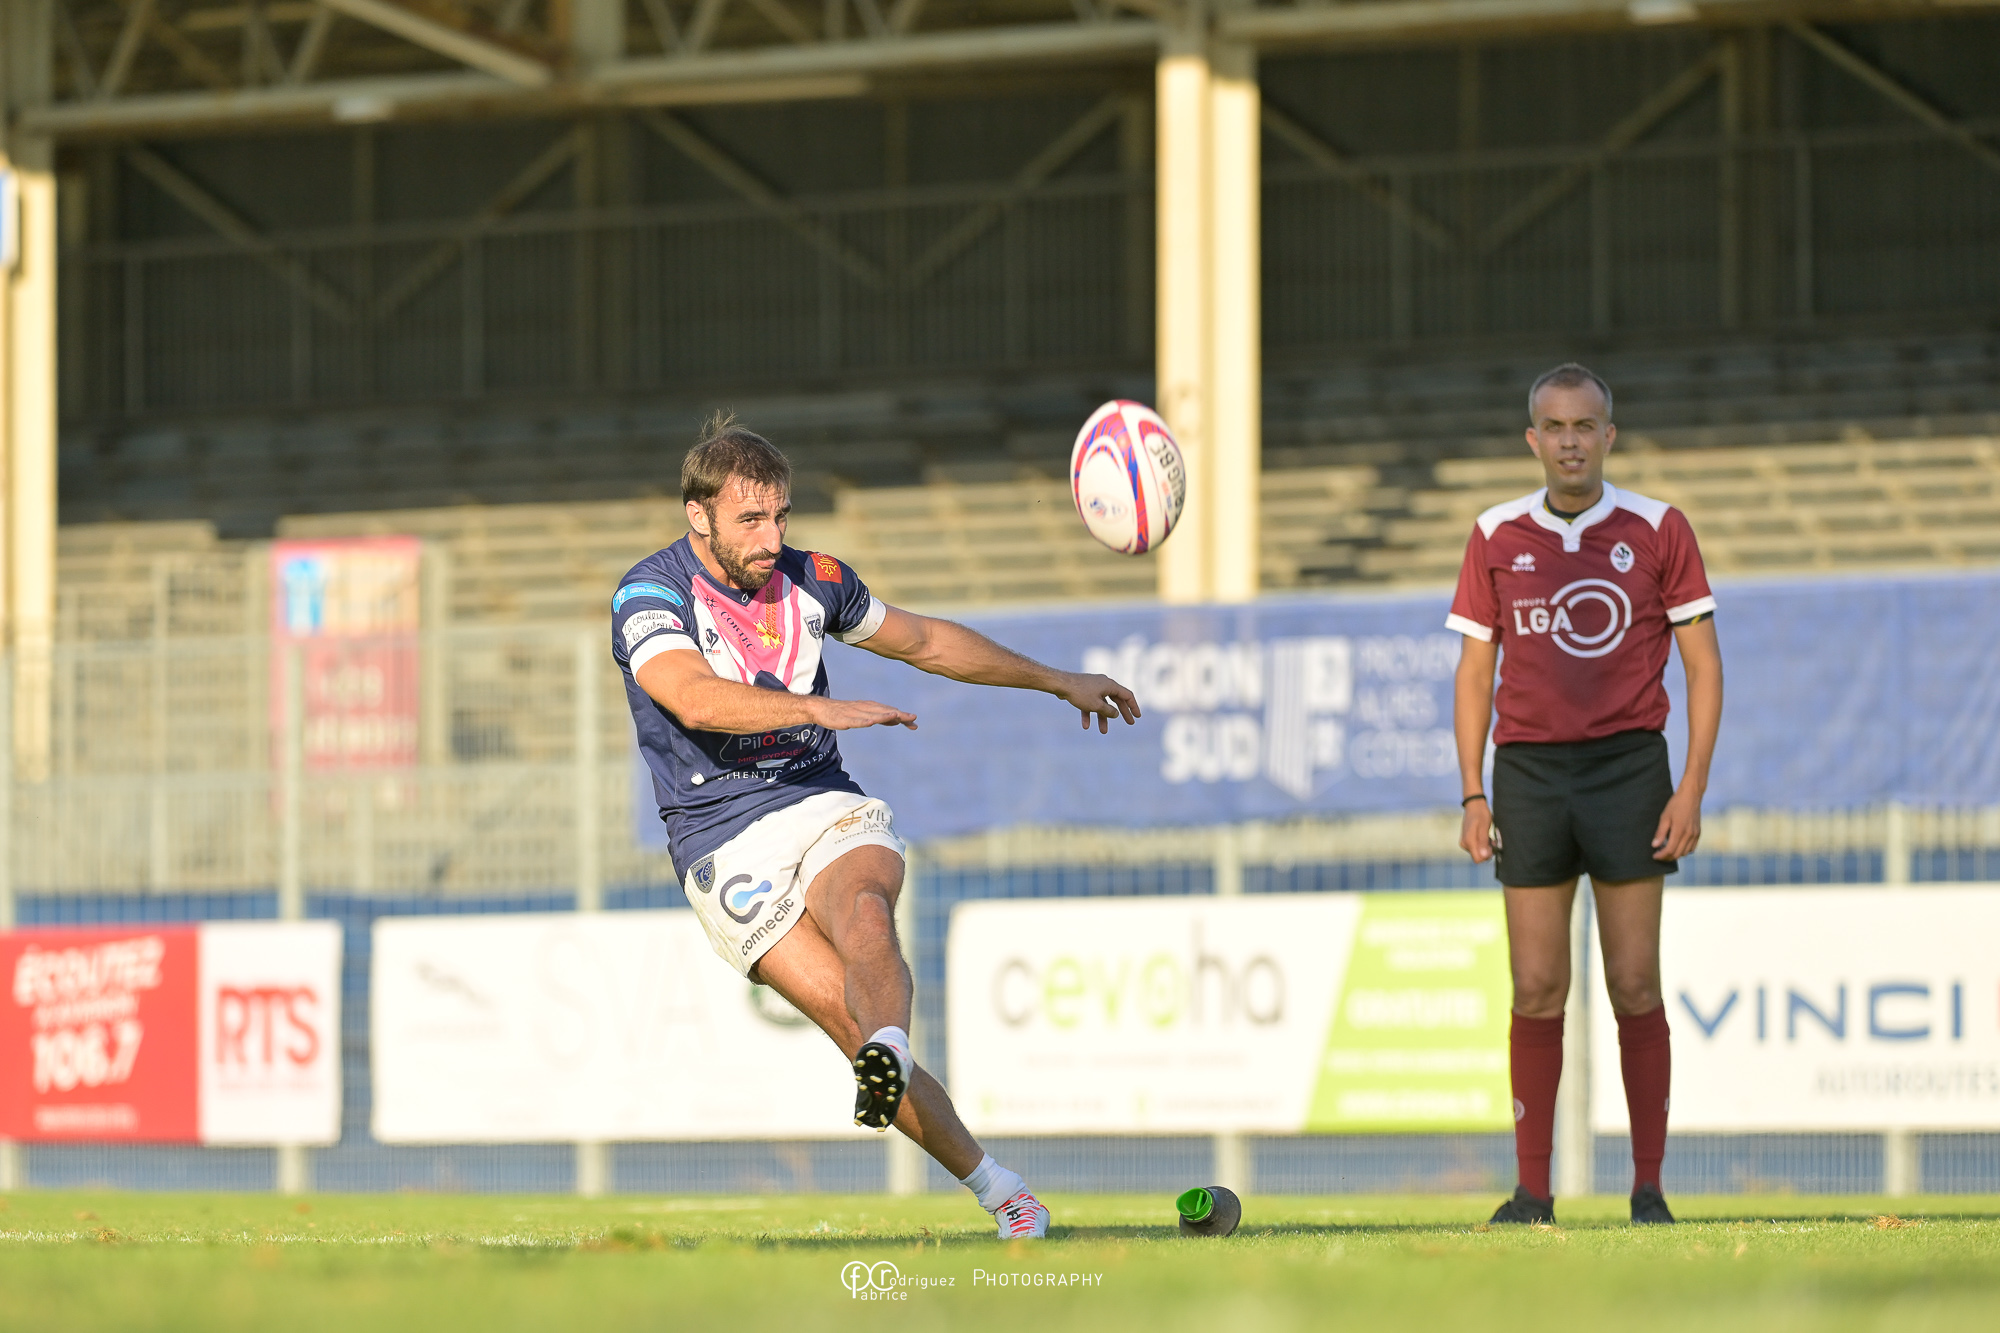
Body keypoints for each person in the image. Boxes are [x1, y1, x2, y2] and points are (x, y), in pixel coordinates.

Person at [612, 414, 1141, 1239]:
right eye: (751, 519)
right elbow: (692, 696)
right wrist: (815, 708)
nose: (771, 536)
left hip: (817, 793)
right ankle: (1001, 1184)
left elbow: (924, 640)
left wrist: (1056, 679)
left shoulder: (815, 578)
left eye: (780, 515)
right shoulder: (649, 593)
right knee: (843, 1020)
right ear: (698, 515)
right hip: (720, 835)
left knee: (864, 906)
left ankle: (894, 1050)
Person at [1446, 364, 1723, 1227]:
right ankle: (1533, 1192)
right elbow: (1475, 671)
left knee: (1635, 981)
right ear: (1533, 439)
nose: (1570, 441)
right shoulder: (1494, 533)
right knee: (1536, 986)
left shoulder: (1659, 527)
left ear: (1609, 435)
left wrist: (1690, 785)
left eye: (1585, 425)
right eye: (1555, 427)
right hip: (1529, 776)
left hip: (1629, 770)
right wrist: (1473, 792)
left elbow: (1704, 665)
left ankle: (1649, 1188)